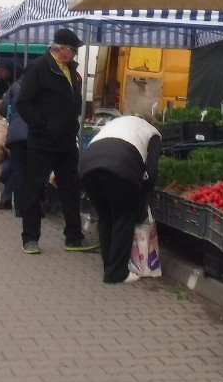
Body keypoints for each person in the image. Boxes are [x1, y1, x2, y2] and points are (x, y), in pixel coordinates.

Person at [16, 28, 98, 254]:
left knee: (71, 189)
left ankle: (74, 237)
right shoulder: (39, 68)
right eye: (73, 50)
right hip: (42, 142)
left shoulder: (72, 71)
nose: (75, 55)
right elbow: (24, 103)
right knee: (34, 190)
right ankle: (30, 238)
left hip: (66, 141)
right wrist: (42, 125)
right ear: (61, 49)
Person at [79, 115, 161, 284]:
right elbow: (152, 172)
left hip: (87, 167)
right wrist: (143, 198)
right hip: (120, 168)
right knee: (123, 218)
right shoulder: (153, 133)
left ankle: (109, 265)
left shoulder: (115, 124)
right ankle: (116, 273)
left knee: (105, 216)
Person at [0, 69, 28, 215]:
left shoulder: (15, 86)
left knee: (17, 170)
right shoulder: (43, 87)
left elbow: (3, 109)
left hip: (16, 135)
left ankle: (19, 207)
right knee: (35, 171)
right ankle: (36, 205)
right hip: (36, 136)